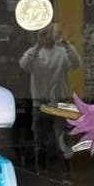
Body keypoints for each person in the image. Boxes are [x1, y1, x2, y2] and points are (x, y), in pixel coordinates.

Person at [20, 25, 81, 167]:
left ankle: (66, 173)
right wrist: (37, 45)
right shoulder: (34, 53)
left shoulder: (62, 52)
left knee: (62, 141)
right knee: (39, 142)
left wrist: (65, 43)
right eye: (44, 34)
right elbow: (23, 64)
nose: (48, 37)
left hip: (59, 103)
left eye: (51, 34)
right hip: (40, 103)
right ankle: (42, 171)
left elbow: (76, 63)